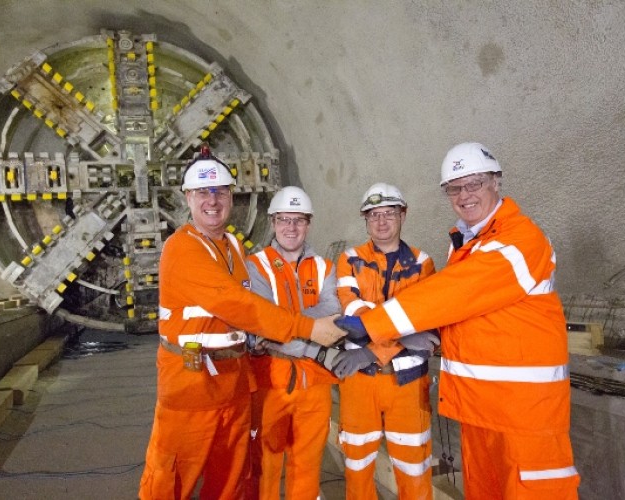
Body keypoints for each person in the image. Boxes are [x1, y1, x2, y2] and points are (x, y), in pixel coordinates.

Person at [337, 143, 580, 500]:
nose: (464, 195)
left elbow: (452, 295)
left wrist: (374, 326)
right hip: (481, 409)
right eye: (454, 188)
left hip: (523, 414)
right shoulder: (465, 246)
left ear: (496, 182)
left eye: (474, 184)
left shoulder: (518, 241)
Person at [138, 147, 345, 500]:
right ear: (188, 198)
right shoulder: (181, 248)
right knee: (172, 478)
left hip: (234, 382)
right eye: (203, 192)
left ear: (232, 196)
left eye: (220, 191)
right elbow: (239, 304)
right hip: (190, 384)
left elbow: (256, 307)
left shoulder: (233, 245)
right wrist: (309, 328)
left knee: (232, 476)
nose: (213, 201)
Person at [331, 182, 438, 499]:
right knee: (358, 466)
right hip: (359, 384)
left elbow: (426, 321)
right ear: (365, 220)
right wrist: (406, 331)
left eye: (389, 213)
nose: (381, 221)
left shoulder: (423, 263)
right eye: (374, 215)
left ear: (403, 215)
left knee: (414, 470)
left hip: (407, 385)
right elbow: (353, 316)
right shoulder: (350, 260)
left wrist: (369, 352)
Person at [245, 186, 340, 499]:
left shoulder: (326, 268)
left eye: (298, 220)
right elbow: (261, 324)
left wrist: (282, 328)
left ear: (308, 223)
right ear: (273, 222)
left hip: (315, 385)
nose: (291, 227)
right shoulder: (255, 266)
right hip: (270, 382)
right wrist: (314, 342)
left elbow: (333, 310)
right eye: (284, 220)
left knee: (308, 462)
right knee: (265, 464)